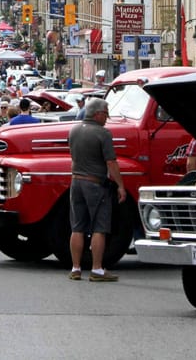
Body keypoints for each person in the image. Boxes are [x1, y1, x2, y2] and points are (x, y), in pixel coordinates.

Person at [67, 97, 125, 282]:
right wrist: (121, 186)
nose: (107, 118)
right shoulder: (103, 133)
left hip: (76, 182)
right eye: (106, 114)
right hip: (95, 183)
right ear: (98, 114)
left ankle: (75, 268)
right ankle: (97, 269)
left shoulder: (73, 130)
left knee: (77, 227)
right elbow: (111, 162)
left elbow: (73, 156)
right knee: (100, 227)